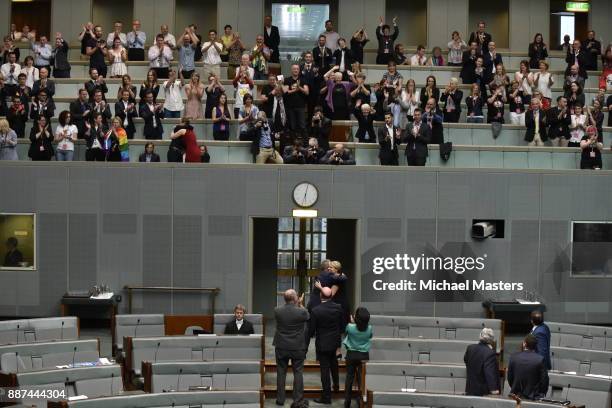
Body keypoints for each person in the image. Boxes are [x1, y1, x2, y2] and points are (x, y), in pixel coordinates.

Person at [307, 286, 343, 405]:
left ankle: (327, 397)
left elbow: (311, 330)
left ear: (320, 296)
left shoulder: (316, 310)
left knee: (324, 370)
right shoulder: (338, 308)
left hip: (322, 344)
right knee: (334, 364)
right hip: (335, 342)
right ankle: (336, 386)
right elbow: (342, 326)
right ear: (331, 296)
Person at [273, 289, 308, 406]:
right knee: (298, 372)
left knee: (281, 372)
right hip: (297, 346)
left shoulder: (277, 310)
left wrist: (296, 303)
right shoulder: (301, 312)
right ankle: (297, 399)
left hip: (281, 345)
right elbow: (307, 316)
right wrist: (300, 304)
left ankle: (280, 400)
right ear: (295, 298)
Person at [507, 334, 549, 400]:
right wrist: (541, 393)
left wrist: (516, 388)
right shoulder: (540, 359)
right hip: (534, 398)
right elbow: (544, 381)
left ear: (524, 344)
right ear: (535, 345)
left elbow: (510, 378)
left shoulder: (514, 357)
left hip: (515, 397)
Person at [464, 328, 500, 396]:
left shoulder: (470, 348)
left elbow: (466, 360)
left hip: (470, 389)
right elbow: (489, 372)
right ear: (491, 340)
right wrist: (494, 389)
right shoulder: (490, 353)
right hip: (483, 393)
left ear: (480, 336)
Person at [283, 64, 310, 136]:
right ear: (291, 70)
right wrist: (296, 90)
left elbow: (307, 92)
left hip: (300, 106)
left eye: (297, 69)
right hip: (290, 107)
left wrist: (299, 87)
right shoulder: (286, 80)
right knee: (292, 126)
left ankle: (305, 144)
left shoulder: (303, 80)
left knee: (303, 126)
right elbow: (286, 92)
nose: (295, 70)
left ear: (299, 70)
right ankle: (293, 144)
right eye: (294, 69)